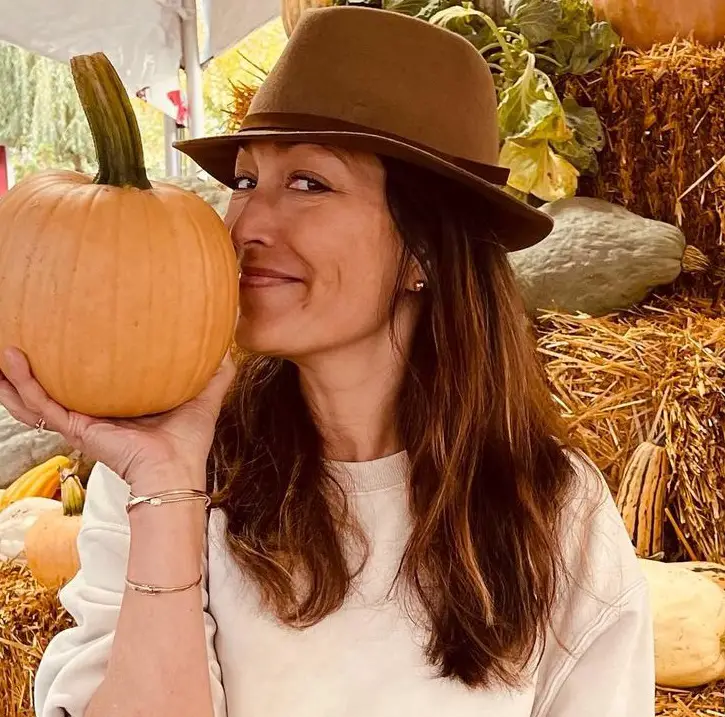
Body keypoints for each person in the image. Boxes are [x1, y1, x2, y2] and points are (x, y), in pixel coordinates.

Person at [0, 7, 654, 717]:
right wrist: (167, 490)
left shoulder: (557, 510)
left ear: (424, 251)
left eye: (309, 183)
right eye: (245, 182)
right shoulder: (164, 471)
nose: (246, 224)